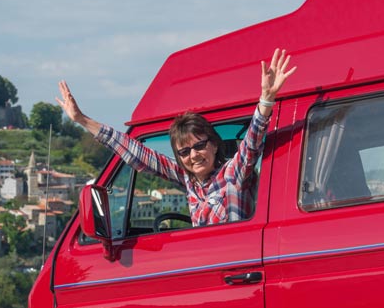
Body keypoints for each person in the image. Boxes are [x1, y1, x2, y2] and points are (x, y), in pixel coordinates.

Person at [57, 48, 296, 227]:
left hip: (237, 264)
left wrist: (266, 99)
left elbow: (251, 143)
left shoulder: (232, 174)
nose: (193, 155)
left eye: (199, 145)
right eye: (184, 151)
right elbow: (137, 153)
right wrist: (81, 119)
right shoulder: (188, 180)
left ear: (214, 145)